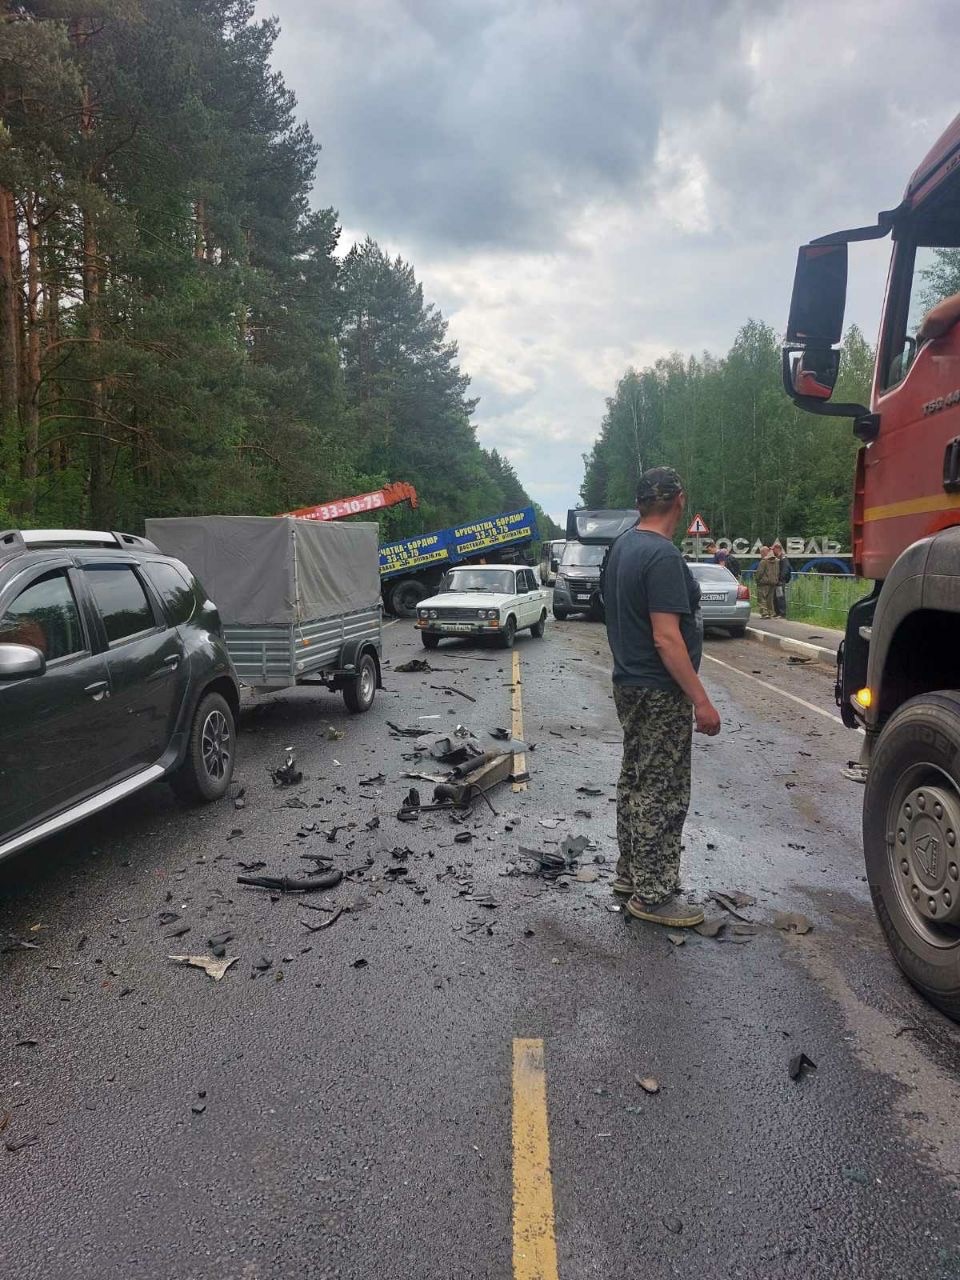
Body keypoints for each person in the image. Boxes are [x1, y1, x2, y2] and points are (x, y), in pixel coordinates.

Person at [603, 466, 722, 928]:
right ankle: (653, 896)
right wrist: (701, 701)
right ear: (679, 500)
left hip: (628, 684)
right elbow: (667, 639)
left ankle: (631, 874)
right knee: (663, 790)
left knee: (635, 779)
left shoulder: (622, 548)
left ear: (639, 504)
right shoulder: (663, 556)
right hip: (659, 690)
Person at [754, 545, 778, 619]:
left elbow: (759, 573)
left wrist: (757, 579)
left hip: (764, 583)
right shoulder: (776, 561)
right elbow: (778, 571)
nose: (761, 555)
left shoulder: (763, 561)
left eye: (761, 553)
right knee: (770, 599)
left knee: (762, 598)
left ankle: (764, 613)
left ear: (764, 552)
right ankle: (771, 613)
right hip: (773, 582)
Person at [773, 543, 792, 617]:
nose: (773, 551)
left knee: (780, 597)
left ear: (778, 549)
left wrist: (780, 579)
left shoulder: (783, 559)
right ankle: (777, 612)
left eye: (774, 549)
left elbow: (785, 570)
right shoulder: (779, 558)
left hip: (780, 581)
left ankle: (782, 613)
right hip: (778, 581)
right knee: (776, 597)